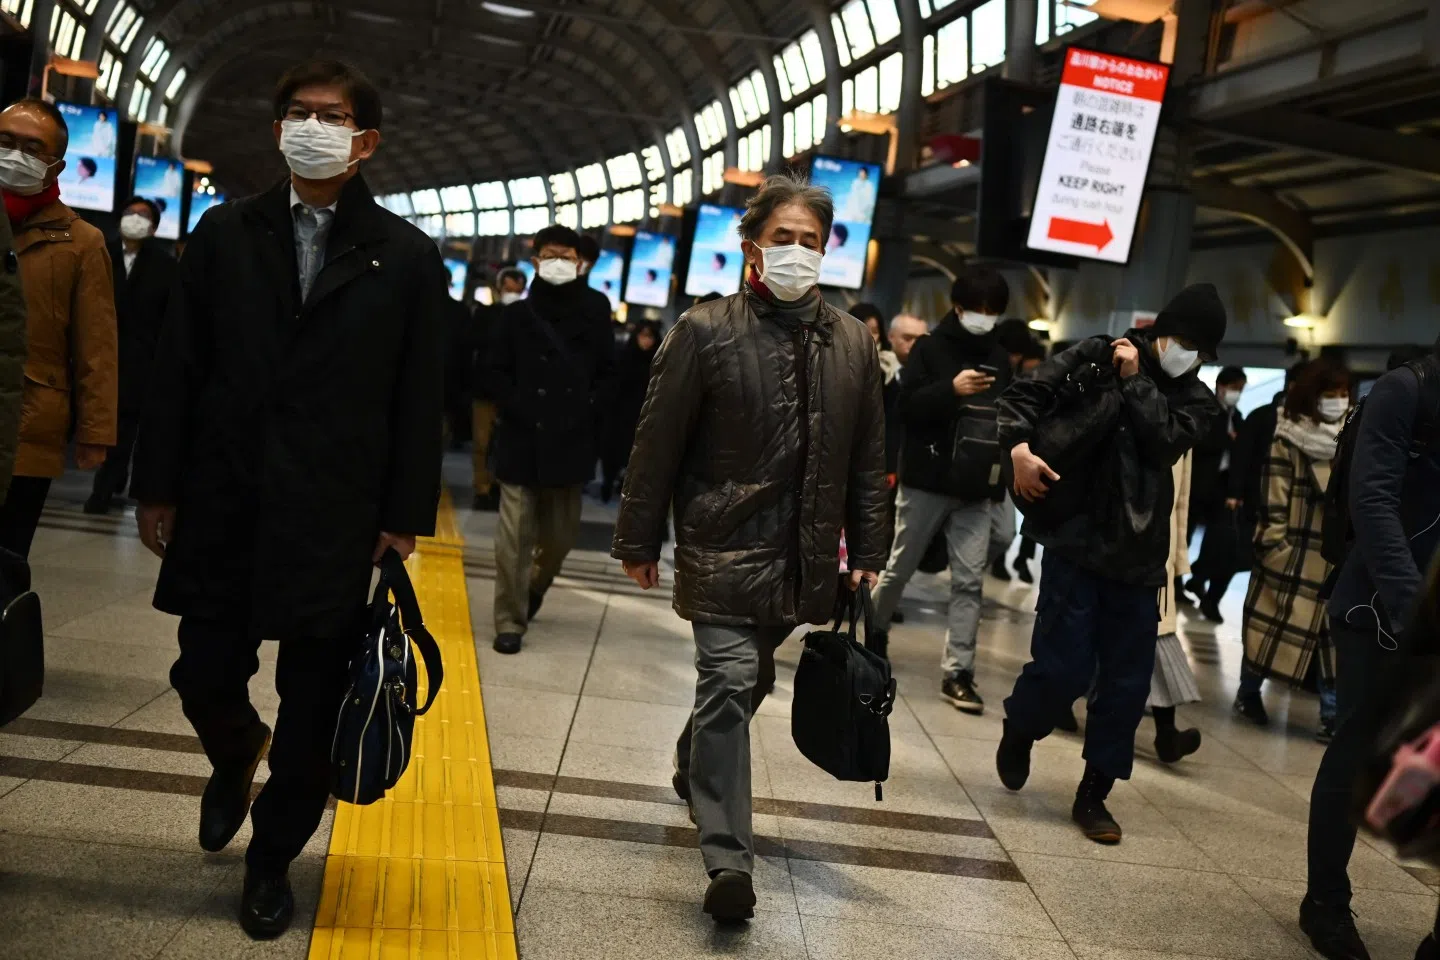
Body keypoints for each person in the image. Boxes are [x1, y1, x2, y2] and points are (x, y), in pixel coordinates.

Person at [129, 59, 448, 940]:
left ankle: (271, 862)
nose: (313, 125)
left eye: (332, 115)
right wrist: (156, 486)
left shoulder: (406, 257)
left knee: (312, 712)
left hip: (336, 516)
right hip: (227, 495)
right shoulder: (225, 235)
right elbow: (177, 372)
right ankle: (234, 751)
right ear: (278, 132)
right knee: (202, 673)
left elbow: (421, 399)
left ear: (365, 139)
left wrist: (403, 515)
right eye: (298, 113)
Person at [612, 172, 888, 924]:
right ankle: (729, 859)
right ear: (750, 246)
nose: (796, 253)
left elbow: (869, 457)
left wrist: (869, 545)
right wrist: (638, 536)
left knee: (748, 680)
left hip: (803, 559)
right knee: (732, 678)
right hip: (722, 541)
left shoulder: (854, 345)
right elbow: (655, 444)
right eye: (782, 239)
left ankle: (691, 760)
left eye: (810, 240)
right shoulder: (703, 331)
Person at [996, 283, 1225, 844]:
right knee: (1062, 668)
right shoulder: (1099, 351)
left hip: (1141, 558)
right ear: (1159, 330)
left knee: (1124, 688)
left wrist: (1136, 382)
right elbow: (1024, 395)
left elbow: (1162, 442)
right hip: (1075, 542)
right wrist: (1020, 450)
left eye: (1200, 347)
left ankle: (1095, 793)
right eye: (1183, 339)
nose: (1187, 351)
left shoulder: (1197, 401)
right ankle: (1022, 724)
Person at [1301, 340, 1440, 960]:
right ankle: (1324, 902)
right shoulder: (1404, 390)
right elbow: (1374, 502)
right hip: (1380, 608)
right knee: (1358, 753)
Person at [866, 266, 1013, 708]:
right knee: (899, 569)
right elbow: (907, 408)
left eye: (993, 311)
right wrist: (951, 390)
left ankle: (958, 672)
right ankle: (874, 633)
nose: (984, 318)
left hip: (975, 486)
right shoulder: (930, 350)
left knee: (969, 583)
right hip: (927, 480)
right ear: (958, 307)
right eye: (978, 309)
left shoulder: (999, 356)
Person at [483, 224, 614, 655]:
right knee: (513, 538)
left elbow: (607, 371)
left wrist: (591, 409)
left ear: (579, 262)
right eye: (550, 254)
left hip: (572, 439)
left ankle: (535, 587)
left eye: (567, 255)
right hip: (522, 437)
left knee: (559, 538)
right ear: (536, 260)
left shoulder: (596, 309)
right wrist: (516, 403)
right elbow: (492, 369)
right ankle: (509, 619)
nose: (559, 262)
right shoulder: (516, 315)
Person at [0, 99, 117, 556]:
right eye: (5, 142)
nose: (14, 155)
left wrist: (95, 431)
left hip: (30, 421)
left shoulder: (82, 242)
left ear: (56, 165)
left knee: (6, 559)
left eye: (32, 148)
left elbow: (97, 344)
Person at [1233, 360, 1349, 738]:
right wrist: (1273, 545)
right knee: (1269, 628)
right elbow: (1274, 498)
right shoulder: (1289, 437)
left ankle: (1331, 713)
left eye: (1343, 395)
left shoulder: (1351, 438)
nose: (1338, 402)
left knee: (1330, 641)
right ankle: (1248, 693)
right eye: (1330, 396)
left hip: (1329, 557)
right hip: (1292, 553)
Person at [86, 197, 177, 515]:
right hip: (95, 354)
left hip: (138, 362)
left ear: (153, 227)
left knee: (123, 429)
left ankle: (103, 489)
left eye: (143, 216)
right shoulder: (98, 252)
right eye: (130, 213)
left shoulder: (166, 266)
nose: (135, 219)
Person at [1183, 365, 1247, 621]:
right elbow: (1200, 442)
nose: (1236, 394)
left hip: (1222, 486)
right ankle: (1177, 583)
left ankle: (1198, 577)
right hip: (1198, 481)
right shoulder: (1206, 409)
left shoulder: (1237, 415)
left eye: (1240, 390)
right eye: (1234, 388)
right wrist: (1227, 438)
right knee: (1184, 533)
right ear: (1222, 386)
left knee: (1217, 538)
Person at [988, 321, 1042, 582]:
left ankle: (991, 561)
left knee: (1004, 532)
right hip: (983, 458)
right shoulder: (990, 370)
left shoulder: (1024, 380)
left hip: (1010, 462)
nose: (1014, 359)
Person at [472, 267, 526, 511]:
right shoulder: (486, 315)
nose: (512, 289)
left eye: (517, 285)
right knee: (482, 442)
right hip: (485, 389)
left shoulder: (529, 318)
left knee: (508, 443)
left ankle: (501, 487)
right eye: (508, 284)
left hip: (514, 392)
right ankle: (482, 488)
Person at [598, 320, 660, 503]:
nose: (646, 341)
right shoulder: (623, 357)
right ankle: (609, 484)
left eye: (650, 337)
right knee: (614, 453)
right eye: (643, 336)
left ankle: (623, 486)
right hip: (619, 415)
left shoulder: (659, 362)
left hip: (644, 417)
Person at [1009, 339, 1046, 584]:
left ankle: (1022, 558)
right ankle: (1016, 558)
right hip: (1015, 455)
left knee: (1035, 512)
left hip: (1037, 455)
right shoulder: (1017, 385)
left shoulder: (1045, 384)